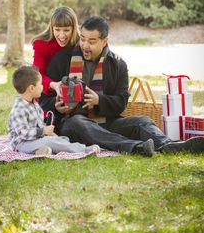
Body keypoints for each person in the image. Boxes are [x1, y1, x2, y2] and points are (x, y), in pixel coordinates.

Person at [39, 16, 204, 156]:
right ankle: (135, 147)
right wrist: (56, 106)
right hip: (72, 125)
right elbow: (42, 100)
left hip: (106, 122)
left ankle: (169, 145)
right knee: (77, 123)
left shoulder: (118, 64)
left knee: (143, 121)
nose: (85, 45)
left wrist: (99, 101)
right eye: (82, 39)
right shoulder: (62, 60)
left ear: (104, 41)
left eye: (92, 41)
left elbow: (121, 102)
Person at [8, 66, 100, 155]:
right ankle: (83, 149)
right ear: (31, 88)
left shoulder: (34, 104)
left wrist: (49, 133)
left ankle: (39, 151)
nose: (42, 86)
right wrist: (43, 131)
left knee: (62, 139)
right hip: (22, 144)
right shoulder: (19, 109)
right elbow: (23, 133)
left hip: (35, 140)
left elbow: (39, 125)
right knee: (49, 141)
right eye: (40, 84)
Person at [32, 6, 80, 98]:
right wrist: (53, 85)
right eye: (57, 29)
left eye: (66, 30)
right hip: (49, 91)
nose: (61, 35)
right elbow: (37, 75)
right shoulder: (41, 44)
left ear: (73, 29)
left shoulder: (80, 42)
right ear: (52, 28)